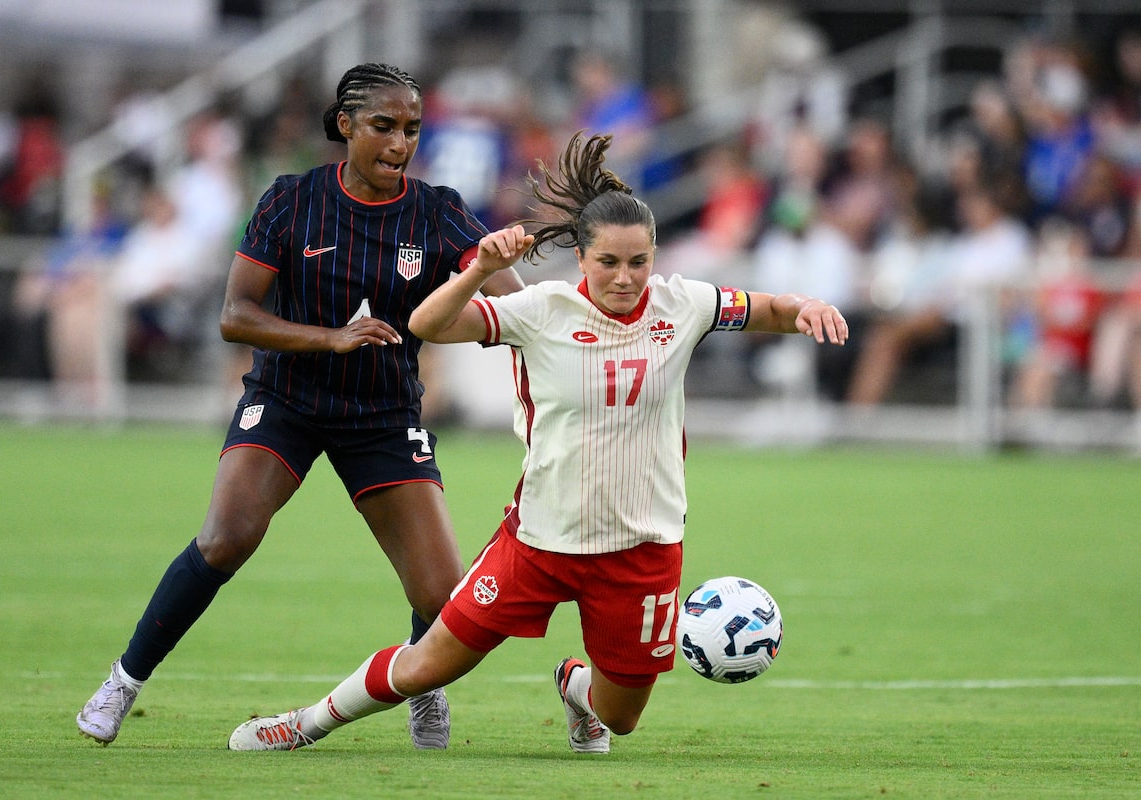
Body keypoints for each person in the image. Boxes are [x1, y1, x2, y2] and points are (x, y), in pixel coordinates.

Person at [227, 132, 847, 755]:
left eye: (639, 262)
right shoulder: (539, 310)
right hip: (541, 540)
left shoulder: (683, 303)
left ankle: (576, 688)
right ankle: (302, 725)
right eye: (609, 262)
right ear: (581, 257)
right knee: (430, 664)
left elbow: (763, 308)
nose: (626, 278)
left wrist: (804, 308)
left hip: (644, 547)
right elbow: (426, 325)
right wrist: (483, 270)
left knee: (621, 718)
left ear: (655, 257)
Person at [76, 62, 525, 750]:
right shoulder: (292, 199)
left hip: (383, 412)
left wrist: (496, 265)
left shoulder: (437, 210)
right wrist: (330, 338)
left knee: (440, 596)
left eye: (411, 129)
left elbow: (514, 306)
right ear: (345, 125)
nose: (400, 144)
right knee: (227, 537)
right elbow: (235, 315)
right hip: (286, 398)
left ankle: (422, 684)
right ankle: (123, 682)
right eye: (383, 126)